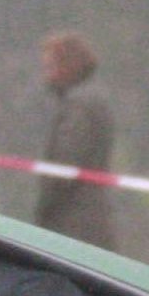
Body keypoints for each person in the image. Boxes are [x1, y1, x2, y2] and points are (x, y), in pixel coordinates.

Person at [33, 32, 116, 249]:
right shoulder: (92, 98)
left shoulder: (79, 105)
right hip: (90, 219)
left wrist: (45, 208)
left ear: (68, 66)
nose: (46, 75)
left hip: (75, 225)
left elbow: (64, 167)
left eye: (50, 67)